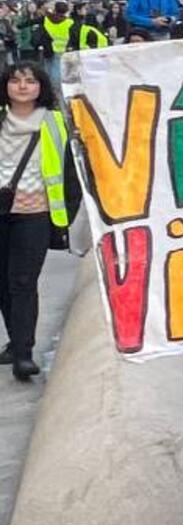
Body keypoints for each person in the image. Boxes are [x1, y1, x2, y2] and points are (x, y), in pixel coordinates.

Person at [0, 63, 71, 382]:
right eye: (16, 81)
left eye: (30, 81)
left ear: (41, 86)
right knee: (3, 283)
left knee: (23, 282)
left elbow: (72, 166)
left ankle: (24, 355)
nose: (23, 86)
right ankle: (16, 343)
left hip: (36, 214)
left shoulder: (56, 121)